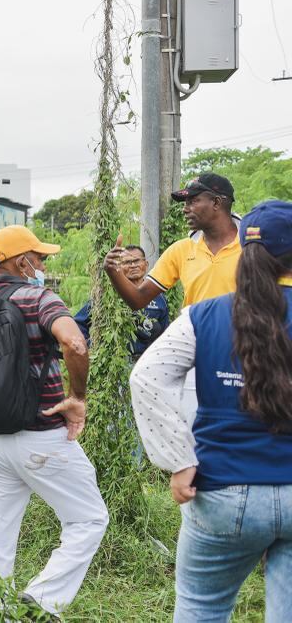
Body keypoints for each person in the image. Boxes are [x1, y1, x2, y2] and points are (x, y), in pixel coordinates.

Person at [130, 199, 292, 622]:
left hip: (221, 491)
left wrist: (179, 460)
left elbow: (146, 378)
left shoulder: (201, 316)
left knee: (202, 608)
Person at [0, 225, 108, 617]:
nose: (43, 264)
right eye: (40, 257)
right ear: (22, 262)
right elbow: (75, 342)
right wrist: (77, 399)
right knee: (88, 518)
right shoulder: (39, 298)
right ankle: (42, 600)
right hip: (42, 436)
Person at [105, 173, 240, 422]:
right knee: (147, 382)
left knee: (241, 420)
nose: (186, 209)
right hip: (199, 348)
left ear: (217, 203)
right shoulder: (182, 249)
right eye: (185, 203)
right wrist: (114, 272)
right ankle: (182, 461)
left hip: (244, 347)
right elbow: (138, 299)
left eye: (193, 201)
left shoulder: (254, 244)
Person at [75, 244, 169, 359]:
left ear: (146, 264)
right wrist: (91, 347)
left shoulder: (158, 297)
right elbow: (78, 324)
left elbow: (165, 334)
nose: (133, 265)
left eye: (137, 261)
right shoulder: (108, 296)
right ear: (119, 267)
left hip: (146, 364)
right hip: (115, 367)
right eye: (127, 262)